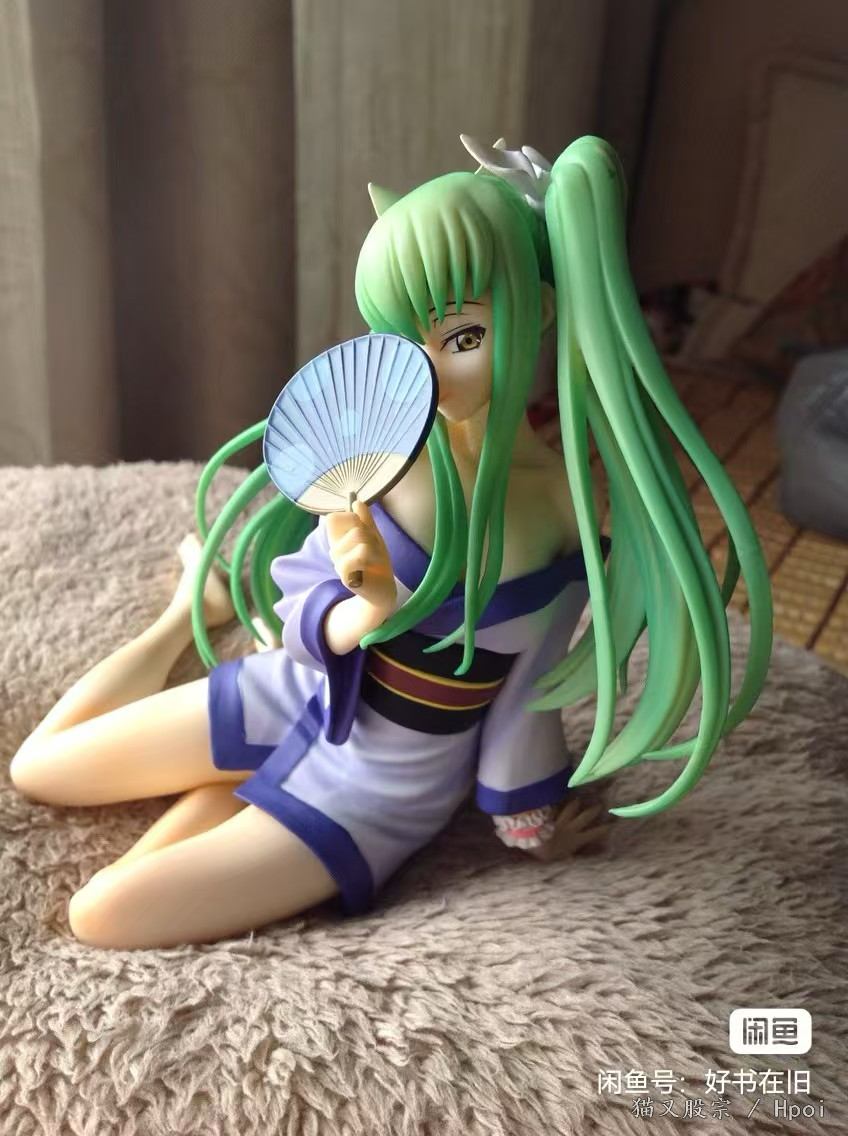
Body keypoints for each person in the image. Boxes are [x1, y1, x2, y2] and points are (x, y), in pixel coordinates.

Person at [10, 136, 772, 950]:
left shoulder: (560, 510)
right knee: (38, 771)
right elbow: (307, 606)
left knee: (101, 913)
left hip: (380, 787)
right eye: (408, 341)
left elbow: (525, 694)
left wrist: (531, 820)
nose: (431, 373)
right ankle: (180, 621)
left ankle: (248, 789)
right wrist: (360, 606)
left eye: (464, 338)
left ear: (540, 311)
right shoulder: (389, 449)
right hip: (292, 692)